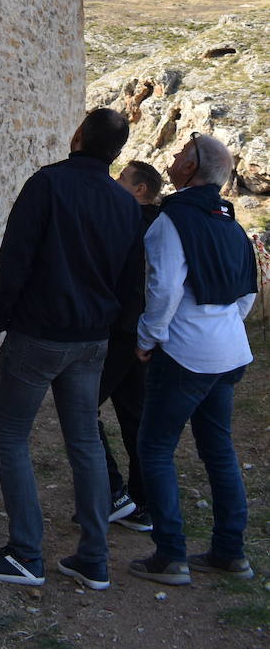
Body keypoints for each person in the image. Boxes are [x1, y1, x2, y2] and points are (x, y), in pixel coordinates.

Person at [0, 108, 141, 591]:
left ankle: (25, 553)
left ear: (78, 136)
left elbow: (15, 255)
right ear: (118, 151)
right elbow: (130, 281)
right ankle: (94, 558)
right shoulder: (125, 203)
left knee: (9, 436)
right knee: (84, 440)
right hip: (92, 339)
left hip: (40, 334)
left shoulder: (46, 185)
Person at [130, 132, 258, 584]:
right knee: (219, 450)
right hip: (227, 352)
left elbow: (163, 289)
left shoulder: (172, 220)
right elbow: (247, 294)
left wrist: (148, 337)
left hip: (184, 353)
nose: (175, 156)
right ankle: (229, 551)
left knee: (156, 449)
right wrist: (223, 326)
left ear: (191, 169)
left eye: (183, 152)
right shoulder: (232, 224)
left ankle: (171, 556)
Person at [96, 159, 163, 532]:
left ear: (140, 190)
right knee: (134, 414)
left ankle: (112, 493)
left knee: (82, 406)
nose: (115, 181)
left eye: (122, 178)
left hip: (123, 331)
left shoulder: (133, 223)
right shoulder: (160, 224)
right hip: (139, 334)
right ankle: (144, 503)